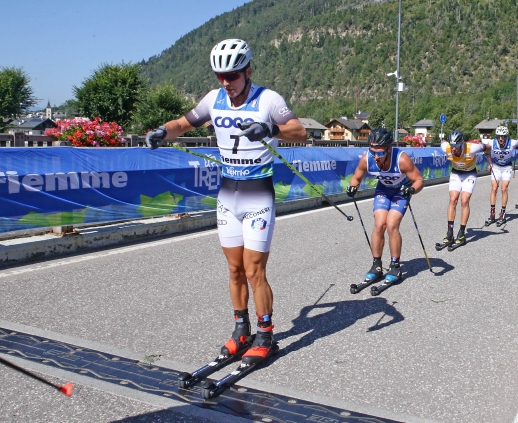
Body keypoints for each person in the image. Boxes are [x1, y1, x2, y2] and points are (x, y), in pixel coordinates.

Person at [145, 39, 307, 366]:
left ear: (247, 71)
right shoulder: (214, 99)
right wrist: (162, 131)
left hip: (258, 196)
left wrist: (269, 127)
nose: (225, 82)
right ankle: (241, 330)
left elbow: (300, 132)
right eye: (220, 75)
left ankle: (265, 335)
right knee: (234, 270)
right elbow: (183, 123)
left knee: (254, 270)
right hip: (227, 196)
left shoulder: (268, 99)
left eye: (232, 75)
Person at [347, 128, 424, 283]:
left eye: (380, 153)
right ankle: (377, 265)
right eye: (373, 151)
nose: (376, 157)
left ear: (389, 149)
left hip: (401, 192)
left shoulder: (401, 159)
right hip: (383, 190)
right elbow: (356, 177)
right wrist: (353, 187)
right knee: (379, 225)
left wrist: (411, 190)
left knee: (391, 225)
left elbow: (419, 181)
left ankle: (395, 266)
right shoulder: (367, 158)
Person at [435, 130, 487, 251]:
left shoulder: (472, 148)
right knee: (453, 200)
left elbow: (486, 147)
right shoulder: (446, 147)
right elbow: (442, 142)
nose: (453, 149)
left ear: (462, 143)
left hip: (470, 174)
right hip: (456, 174)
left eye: (456, 146)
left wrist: (489, 158)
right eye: (452, 146)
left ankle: (462, 232)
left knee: (464, 201)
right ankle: (449, 232)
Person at [483, 125, 518, 226]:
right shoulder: (491, 142)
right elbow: (486, 151)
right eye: (499, 136)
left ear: (506, 136)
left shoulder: (512, 142)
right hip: (496, 167)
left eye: (503, 136)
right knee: (494, 188)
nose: (501, 138)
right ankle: (492, 214)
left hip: (507, 167)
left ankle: (503, 213)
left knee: (504, 189)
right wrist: (490, 162)